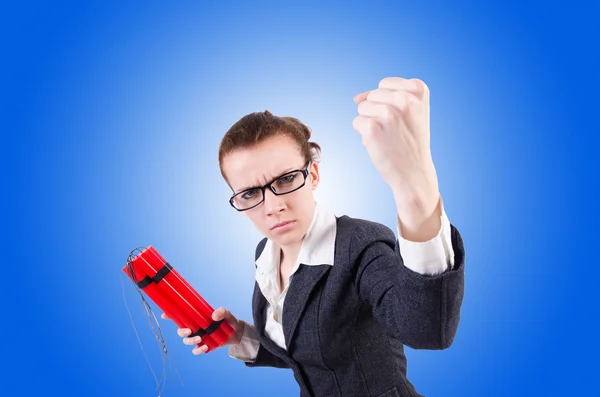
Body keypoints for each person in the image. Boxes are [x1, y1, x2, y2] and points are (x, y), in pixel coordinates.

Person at [161, 77, 465, 397]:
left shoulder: (360, 244)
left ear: (313, 175)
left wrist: (417, 190)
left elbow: (427, 330)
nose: (274, 206)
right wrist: (238, 336)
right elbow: (306, 355)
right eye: (250, 194)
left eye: (287, 178)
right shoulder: (266, 254)